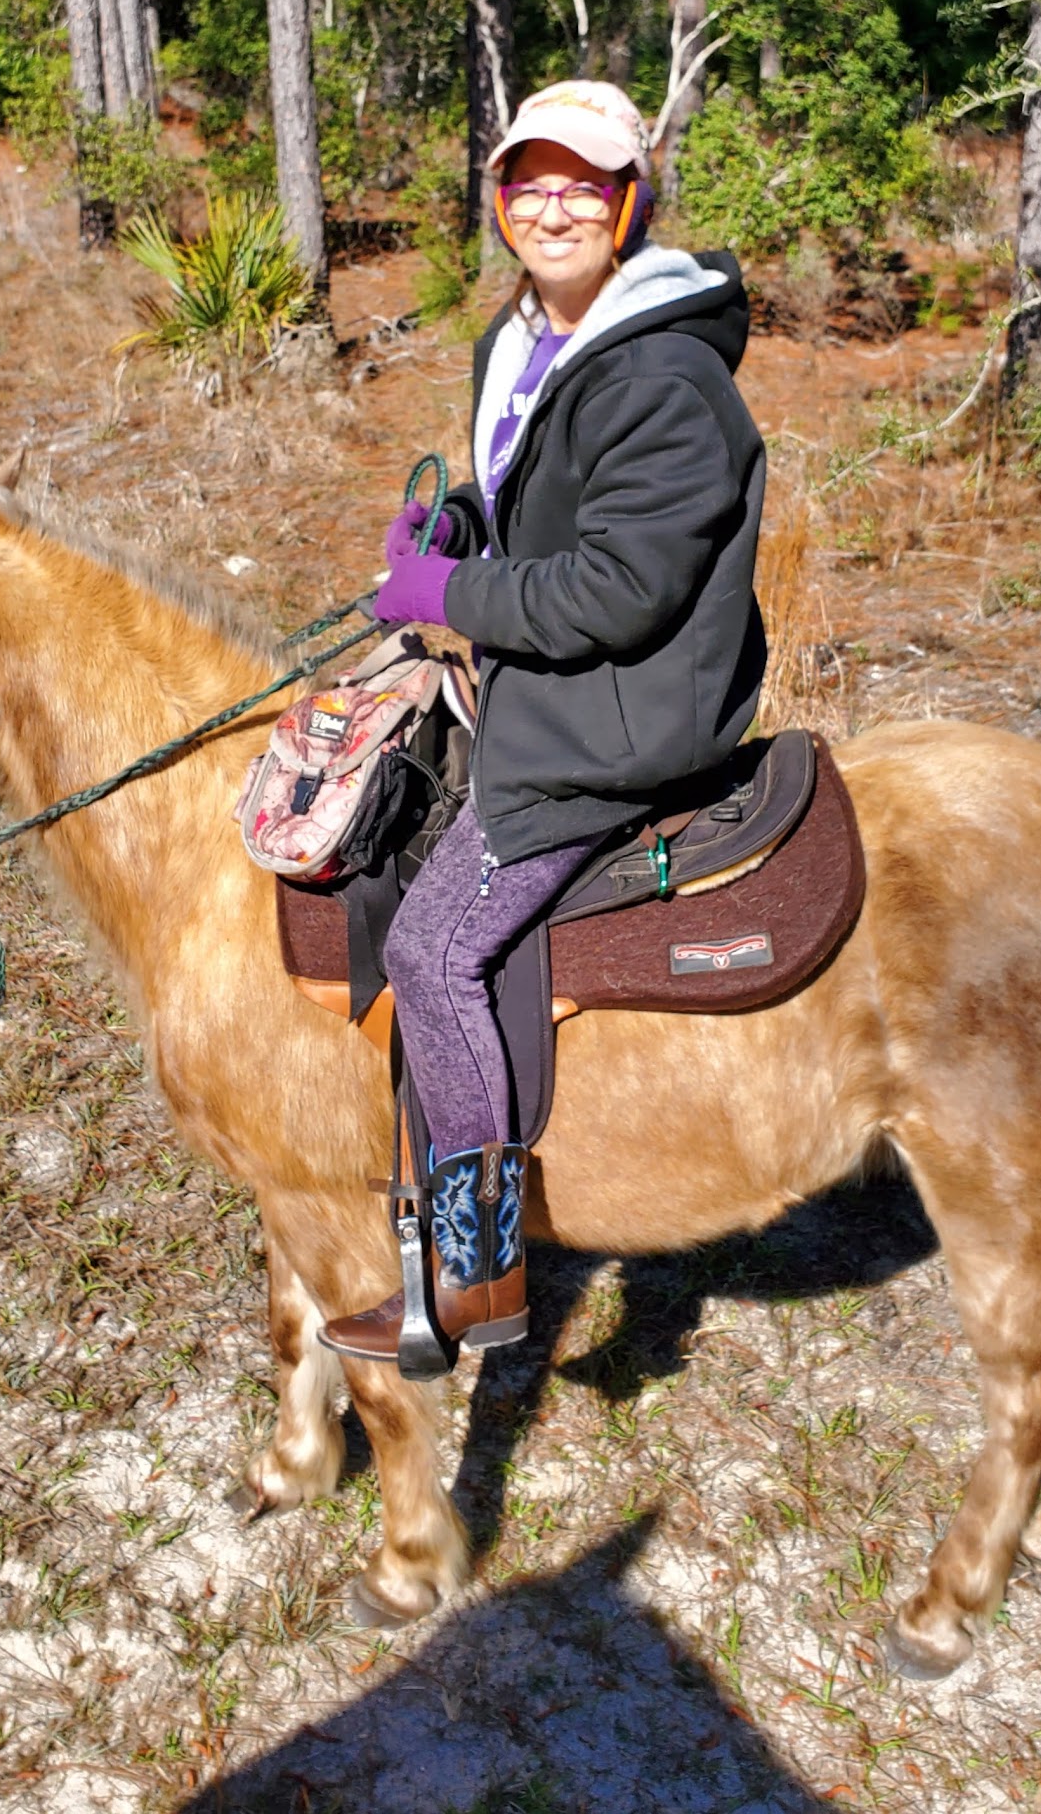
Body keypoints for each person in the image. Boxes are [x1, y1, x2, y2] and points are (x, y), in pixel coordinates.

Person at [318, 80, 767, 1367]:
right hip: (554, 689)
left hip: (613, 722)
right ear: (501, 199)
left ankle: (479, 1269)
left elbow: (619, 588)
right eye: (529, 182)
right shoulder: (524, 342)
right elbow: (543, 495)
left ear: (629, 203)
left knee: (432, 949)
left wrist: (444, 593)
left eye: (584, 183)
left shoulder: (666, 376)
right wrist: (462, 518)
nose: (553, 206)